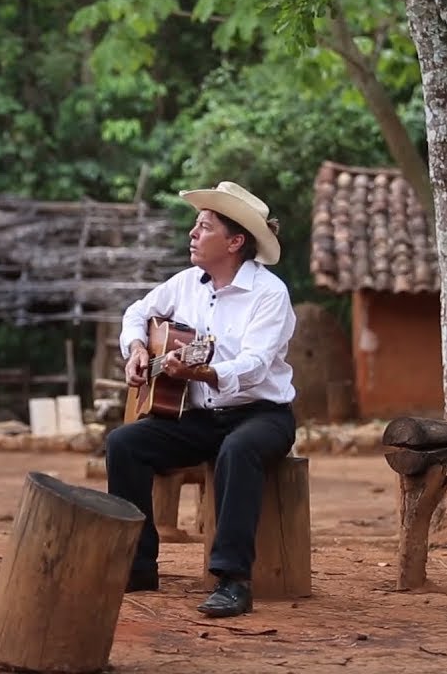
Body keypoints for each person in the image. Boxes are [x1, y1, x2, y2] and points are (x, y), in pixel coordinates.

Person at [107, 181, 297, 618]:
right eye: (195, 225)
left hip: (262, 415)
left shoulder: (270, 294)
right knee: (124, 444)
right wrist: (137, 349)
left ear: (234, 241)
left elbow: (255, 365)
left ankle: (233, 580)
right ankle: (137, 567)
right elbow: (137, 312)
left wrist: (204, 372)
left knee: (238, 449)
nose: (193, 234)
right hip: (197, 416)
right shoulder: (185, 284)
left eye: (204, 226)